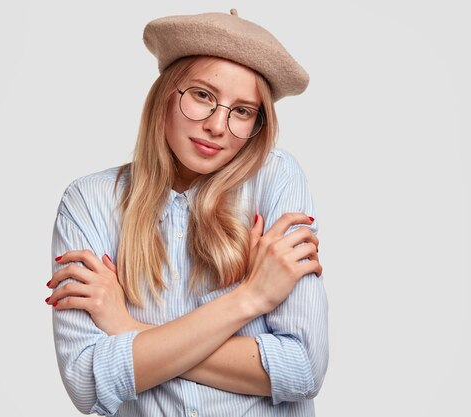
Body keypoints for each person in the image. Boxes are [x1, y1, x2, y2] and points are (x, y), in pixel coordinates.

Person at [45, 9, 329, 417]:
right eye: (202, 95)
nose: (218, 125)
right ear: (165, 94)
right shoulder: (90, 201)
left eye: (243, 111)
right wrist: (251, 299)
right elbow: (87, 382)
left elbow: (302, 368)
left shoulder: (275, 177)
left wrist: (128, 329)